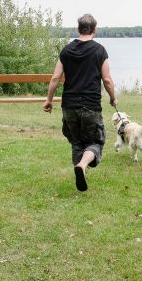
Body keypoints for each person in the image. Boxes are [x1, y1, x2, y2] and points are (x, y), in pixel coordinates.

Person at [44, 14, 117, 191]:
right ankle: (82, 166)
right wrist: (113, 97)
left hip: (69, 105)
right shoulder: (99, 50)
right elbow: (106, 80)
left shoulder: (66, 50)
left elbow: (55, 78)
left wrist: (49, 100)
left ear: (78, 29)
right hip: (90, 105)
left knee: (77, 142)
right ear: (94, 30)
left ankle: (80, 170)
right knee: (95, 142)